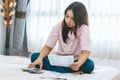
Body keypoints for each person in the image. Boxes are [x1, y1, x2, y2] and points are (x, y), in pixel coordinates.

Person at [28, 1, 94, 73]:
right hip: (59, 60)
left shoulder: (84, 28)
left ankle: (63, 70)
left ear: (79, 18)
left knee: (90, 64)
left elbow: (85, 52)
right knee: (35, 56)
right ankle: (68, 71)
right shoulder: (59, 26)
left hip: (74, 61)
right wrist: (40, 58)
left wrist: (78, 64)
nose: (68, 21)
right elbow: (48, 47)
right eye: (67, 16)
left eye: (73, 18)